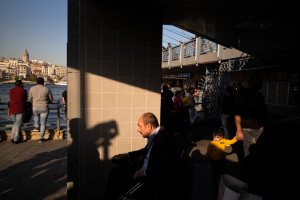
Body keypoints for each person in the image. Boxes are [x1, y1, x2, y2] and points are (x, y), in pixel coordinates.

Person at [104, 112, 179, 200]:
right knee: (114, 171)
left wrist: (143, 173)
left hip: (147, 178)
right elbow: (145, 151)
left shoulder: (164, 140)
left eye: (140, 126)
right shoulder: (156, 136)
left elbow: (165, 168)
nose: (138, 130)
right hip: (141, 169)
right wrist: (127, 155)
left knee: (117, 179)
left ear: (149, 126)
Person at [234, 73, 268, 157]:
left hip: (260, 129)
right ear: (251, 82)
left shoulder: (260, 95)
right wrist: (239, 130)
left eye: (261, 81)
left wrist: (263, 125)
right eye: (257, 80)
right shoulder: (243, 94)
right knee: (250, 154)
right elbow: (237, 113)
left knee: (259, 153)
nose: (260, 83)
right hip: (247, 130)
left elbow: (264, 112)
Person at [28, 77, 53, 143]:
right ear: (43, 82)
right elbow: (51, 99)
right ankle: (41, 138)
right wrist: (48, 101)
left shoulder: (32, 88)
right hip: (44, 107)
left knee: (36, 115)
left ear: (36, 82)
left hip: (35, 107)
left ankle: (36, 126)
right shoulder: (46, 89)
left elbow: (30, 98)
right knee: (43, 123)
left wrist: (33, 103)